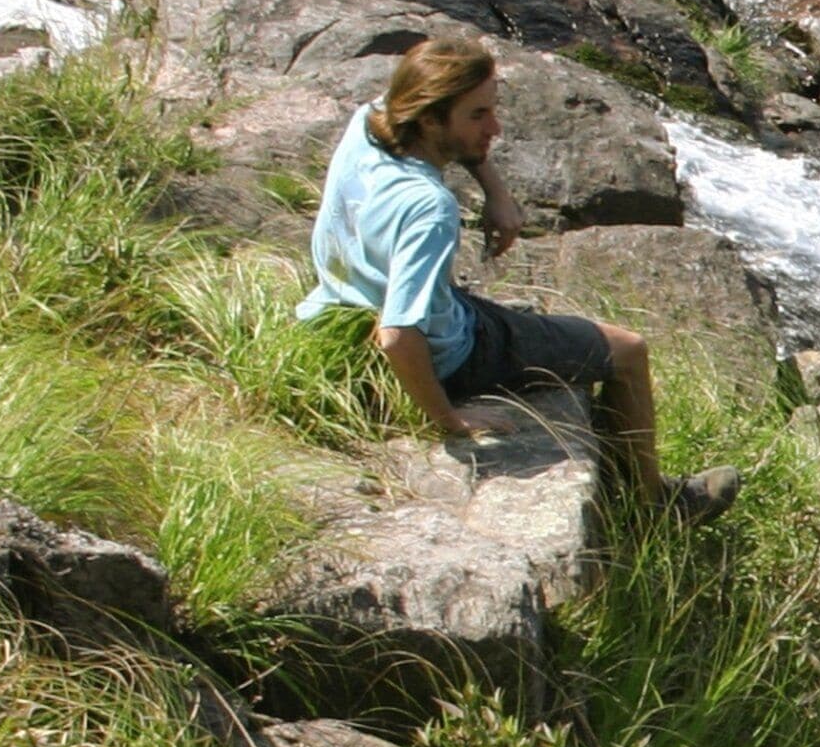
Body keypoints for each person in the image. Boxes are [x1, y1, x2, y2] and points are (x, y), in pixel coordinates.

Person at [298, 35, 738, 522]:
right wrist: (449, 417)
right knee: (627, 351)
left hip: (341, 306)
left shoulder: (370, 121)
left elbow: (435, 123)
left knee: (519, 317)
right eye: (478, 116)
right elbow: (398, 335)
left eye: (493, 109)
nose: (496, 127)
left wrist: (496, 191)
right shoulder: (430, 209)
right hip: (456, 353)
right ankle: (654, 506)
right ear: (429, 118)